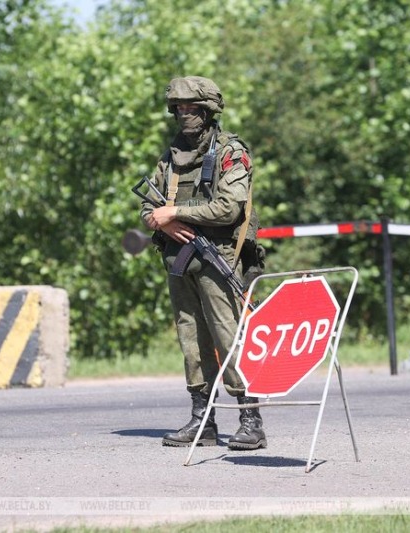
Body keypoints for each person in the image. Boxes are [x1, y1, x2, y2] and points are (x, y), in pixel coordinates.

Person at [140, 76, 266, 450]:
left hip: (218, 255)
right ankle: (203, 420)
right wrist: (163, 219)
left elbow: (229, 207)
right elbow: (149, 205)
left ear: (208, 110)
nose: (184, 115)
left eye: (192, 108)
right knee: (191, 337)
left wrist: (174, 212)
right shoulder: (171, 156)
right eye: (179, 108)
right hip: (180, 259)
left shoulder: (230, 151)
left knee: (228, 337)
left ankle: (251, 418)